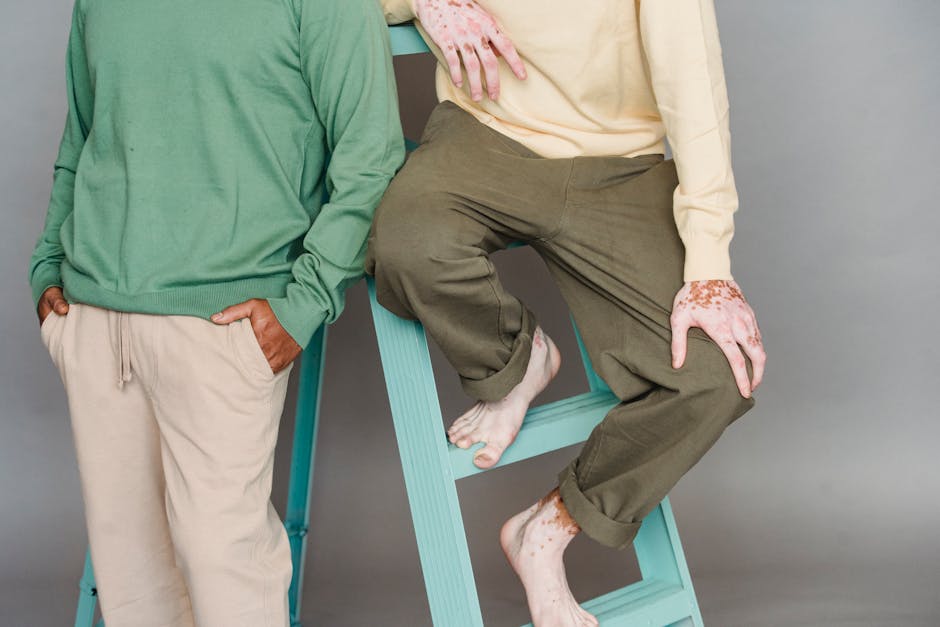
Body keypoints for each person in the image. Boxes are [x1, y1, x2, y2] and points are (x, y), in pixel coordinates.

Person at [368, 0, 766, 625]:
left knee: (717, 377)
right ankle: (517, 361)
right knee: (403, 244)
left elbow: (694, 82)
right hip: (485, 135)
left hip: (621, 166)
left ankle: (547, 530)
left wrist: (710, 266)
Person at [28, 0, 404, 624]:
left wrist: (306, 302)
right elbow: (83, 136)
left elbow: (371, 153)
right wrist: (47, 267)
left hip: (222, 326)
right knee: (131, 588)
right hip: (93, 321)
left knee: (228, 581)